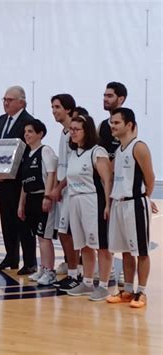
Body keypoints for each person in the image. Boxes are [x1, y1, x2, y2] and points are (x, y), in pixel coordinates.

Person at [106, 108, 156, 308]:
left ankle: (141, 292)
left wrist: (145, 197)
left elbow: (150, 177)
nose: (112, 126)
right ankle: (127, 290)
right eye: (111, 122)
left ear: (129, 125)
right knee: (125, 251)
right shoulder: (119, 150)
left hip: (135, 204)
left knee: (141, 251)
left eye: (116, 123)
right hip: (119, 204)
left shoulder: (139, 147)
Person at [65, 114, 113, 301]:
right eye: (71, 129)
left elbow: (107, 180)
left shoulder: (97, 151)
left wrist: (108, 205)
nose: (73, 132)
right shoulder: (73, 153)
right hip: (75, 200)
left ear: (87, 131)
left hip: (93, 200)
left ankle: (102, 285)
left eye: (77, 129)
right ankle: (86, 282)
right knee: (83, 245)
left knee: (101, 245)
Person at [0, 85, 36, 275]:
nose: (6, 103)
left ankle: (30, 261)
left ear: (22, 102)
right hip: (2, 181)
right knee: (6, 219)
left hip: (19, 181)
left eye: (10, 100)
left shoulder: (29, 122)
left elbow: (27, 153)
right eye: (4, 99)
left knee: (23, 221)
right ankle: (11, 255)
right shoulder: (2, 120)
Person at [18, 119, 58, 285]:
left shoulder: (45, 151)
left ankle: (50, 272)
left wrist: (47, 197)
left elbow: (51, 174)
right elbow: (24, 183)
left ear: (40, 134)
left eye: (30, 131)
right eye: (25, 131)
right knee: (37, 236)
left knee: (44, 237)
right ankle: (42, 268)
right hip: (31, 198)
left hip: (43, 197)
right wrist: (21, 204)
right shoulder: (27, 154)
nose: (27, 134)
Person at [48, 94, 81, 291]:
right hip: (64, 190)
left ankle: (75, 274)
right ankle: (72, 272)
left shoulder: (74, 134)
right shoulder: (63, 132)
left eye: (57, 107)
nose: (54, 110)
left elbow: (74, 166)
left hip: (73, 191)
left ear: (68, 109)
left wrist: (58, 188)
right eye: (52, 107)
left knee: (69, 234)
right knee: (64, 233)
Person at [99, 82, 127, 160]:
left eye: (110, 96)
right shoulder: (102, 125)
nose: (105, 99)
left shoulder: (128, 124)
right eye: (104, 96)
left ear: (121, 99)